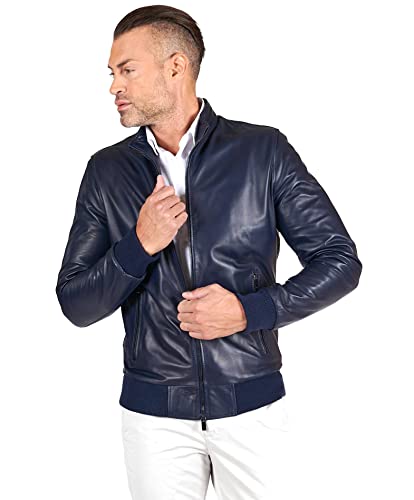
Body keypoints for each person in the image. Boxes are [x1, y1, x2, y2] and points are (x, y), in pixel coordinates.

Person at [55, 5, 363, 499]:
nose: (114, 86)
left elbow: (339, 261)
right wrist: (139, 245)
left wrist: (248, 311)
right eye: (112, 73)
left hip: (253, 409)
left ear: (176, 66)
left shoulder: (262, 151)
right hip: (154, 420)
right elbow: (76, 302)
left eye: (127, 70)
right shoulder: (106, 171)